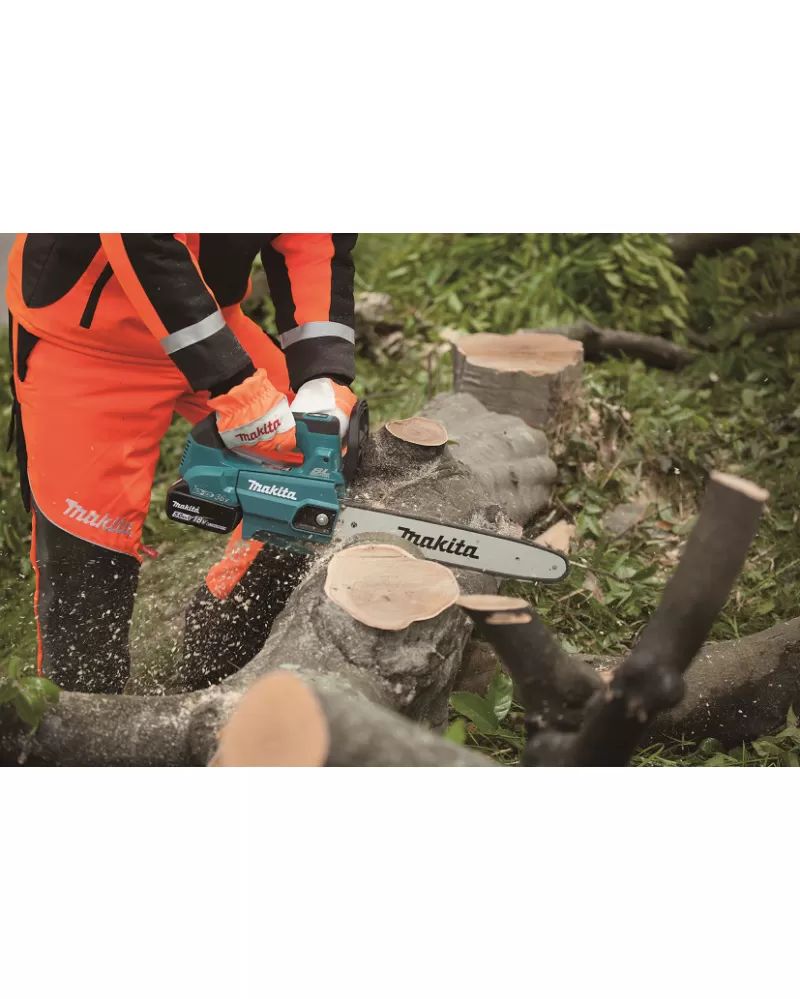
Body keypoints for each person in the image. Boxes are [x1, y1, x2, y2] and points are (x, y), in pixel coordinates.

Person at [5, 233, 358, 694]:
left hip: (211, 321)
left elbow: (315, 240)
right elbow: (141, 238)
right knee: (88, 558)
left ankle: (219, 652)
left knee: (322, 467)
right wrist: (234, 385)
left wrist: (322, 372)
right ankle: (81, 712)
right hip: (89, 339)